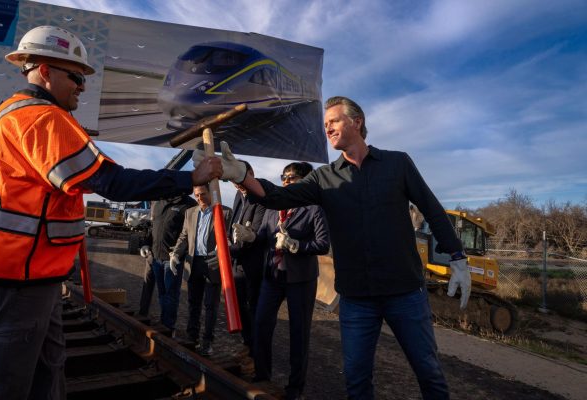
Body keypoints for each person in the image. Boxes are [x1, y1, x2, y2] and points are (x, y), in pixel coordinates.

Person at [0, 25, 222, 400]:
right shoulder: (43, 119)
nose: (82, 86)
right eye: (76, 77)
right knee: (7, 384)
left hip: (29, 273)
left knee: (47, 370)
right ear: (45, 70)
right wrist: (190, 177)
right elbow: (111, 182)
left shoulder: (9, 114)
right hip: (18, 277)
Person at [200, 96, 471, 399]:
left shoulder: (398, 164)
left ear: (357, 122)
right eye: (325, 124)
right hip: (356, 298)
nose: (327, 128)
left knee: (429, 372)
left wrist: (457, 256)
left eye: (334, 121)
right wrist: (242, 177)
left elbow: (432, 209)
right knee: (356, 381)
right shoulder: (324, 177)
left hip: (405, 292)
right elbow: (278, 197)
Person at [234, 162, 329, 400]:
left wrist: (297, 245)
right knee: (261, 325)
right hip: (272, 276)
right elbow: (264, 237)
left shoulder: (314, 208)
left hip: (300, 280)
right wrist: (250, 236)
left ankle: (295, 388)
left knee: (299, 334)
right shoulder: (272, 208)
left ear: (306, 180)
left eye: (291, 177)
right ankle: (262, 375)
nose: (285, 181)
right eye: (283, 177)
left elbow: (323, 244)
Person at [170, 184, 232, 356]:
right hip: (194, 262)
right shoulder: (190, 213)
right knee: (193, 303)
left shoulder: (225, 213)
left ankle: (207, 341)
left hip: (213, 263)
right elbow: (184, 236)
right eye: (196, 196)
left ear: (211, 193)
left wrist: (224, 247)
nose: (199, 199)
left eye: (202, 194)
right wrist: (175, 254)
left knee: (211, 305)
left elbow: (229, 239)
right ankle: (192, 337)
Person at [138, 194, 196, 334]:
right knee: (162, 293)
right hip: (156, 257)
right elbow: (153, 227)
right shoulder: (158, 201)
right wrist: (145, 244)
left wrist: (179, 253)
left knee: (171, 295)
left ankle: (168, 327)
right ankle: (163, 322)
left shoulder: (189, 204)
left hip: (172, 259)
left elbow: (190, 233)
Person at [228, 160, 266, 357]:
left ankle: (256, 349)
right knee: (240, 305)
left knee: (253, 307)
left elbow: (256, 232)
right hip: (237, 263)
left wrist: (233, 248)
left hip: (252, 264)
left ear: (250, 172)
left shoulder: (259, 195)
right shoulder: (238, 195)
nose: (237, 184)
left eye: (239, 178)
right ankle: (247, 342)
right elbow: (233, 221)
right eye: (233, 181)